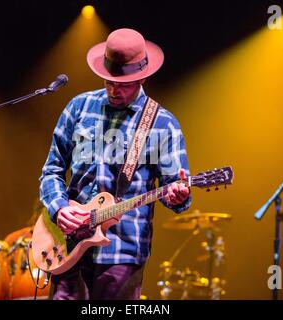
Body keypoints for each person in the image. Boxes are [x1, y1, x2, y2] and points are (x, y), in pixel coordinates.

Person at [39, 28, 191, 300]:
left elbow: (173, 190)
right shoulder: (79, 107)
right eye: (109, 81)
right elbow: (51, 170)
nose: (113, 89)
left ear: (142, 77)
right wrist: (59, 208)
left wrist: (179, 196)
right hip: (67, 244)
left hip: (122, 252)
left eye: (122, 84)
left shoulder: (161, 123)